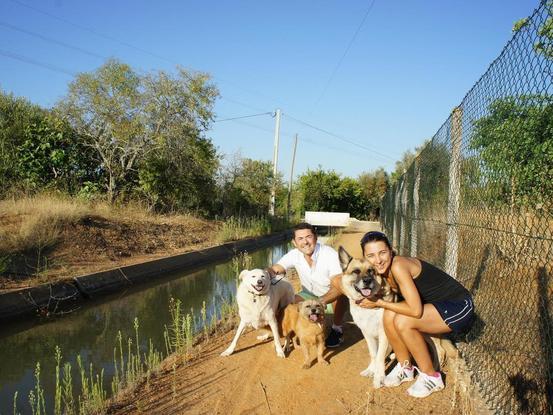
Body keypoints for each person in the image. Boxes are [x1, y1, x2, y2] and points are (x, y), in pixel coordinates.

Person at [321, 230, 474, 398]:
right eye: (371, 255)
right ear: (365, 257)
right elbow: (337, 280)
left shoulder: (398, 265)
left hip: (458, 306)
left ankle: (431, 376)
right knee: (389, 315)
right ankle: (405, 367)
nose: (378, 259)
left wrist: (379, 302)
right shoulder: (379, 270)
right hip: (435, 306)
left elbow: (415, 310)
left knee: (402, 320)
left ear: (391, 250)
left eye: (382, 253)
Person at [266, 222, 348, 348]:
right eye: (300, 238)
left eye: (308, 237)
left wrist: (321, 301)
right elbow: (276, 268)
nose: (305, 242)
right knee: (287, 303)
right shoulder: (294, 254)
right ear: (294, 242)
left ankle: (337, 329)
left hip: (328, 297)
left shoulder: (329, 254)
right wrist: (262, 275)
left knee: (341, 291)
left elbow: (339, 283)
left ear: (316, 238)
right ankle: (294, 329)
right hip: (308, 295)